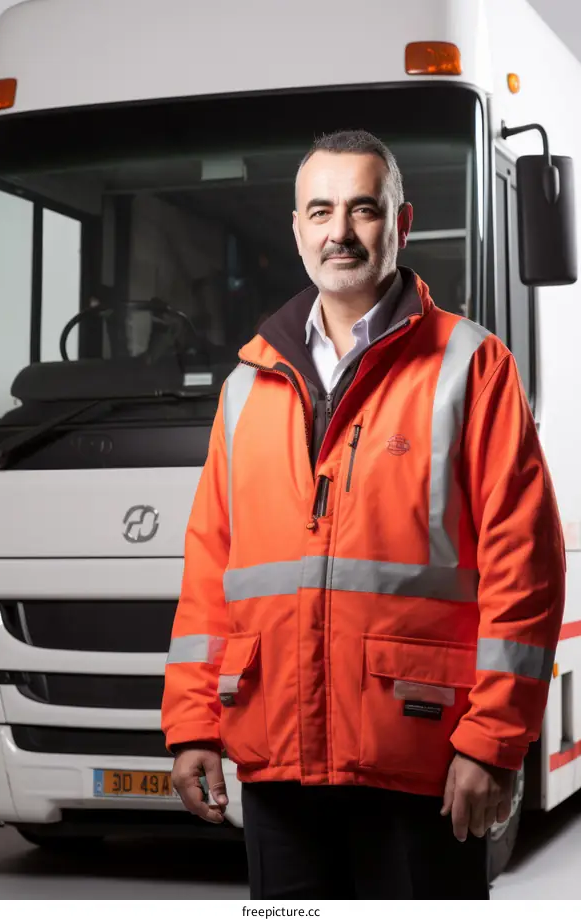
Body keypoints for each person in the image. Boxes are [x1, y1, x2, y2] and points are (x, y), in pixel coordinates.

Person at [161, 130, 565, 899]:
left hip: (422, 757)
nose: (339, 231)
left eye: (362, 209)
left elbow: (526, 574)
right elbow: (210, 574)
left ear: (401, 224)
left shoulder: (471, 365)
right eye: (320, 210)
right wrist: (192, 723)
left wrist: (491, 746)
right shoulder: (247, 386)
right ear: (296, 229)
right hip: (277, 757)